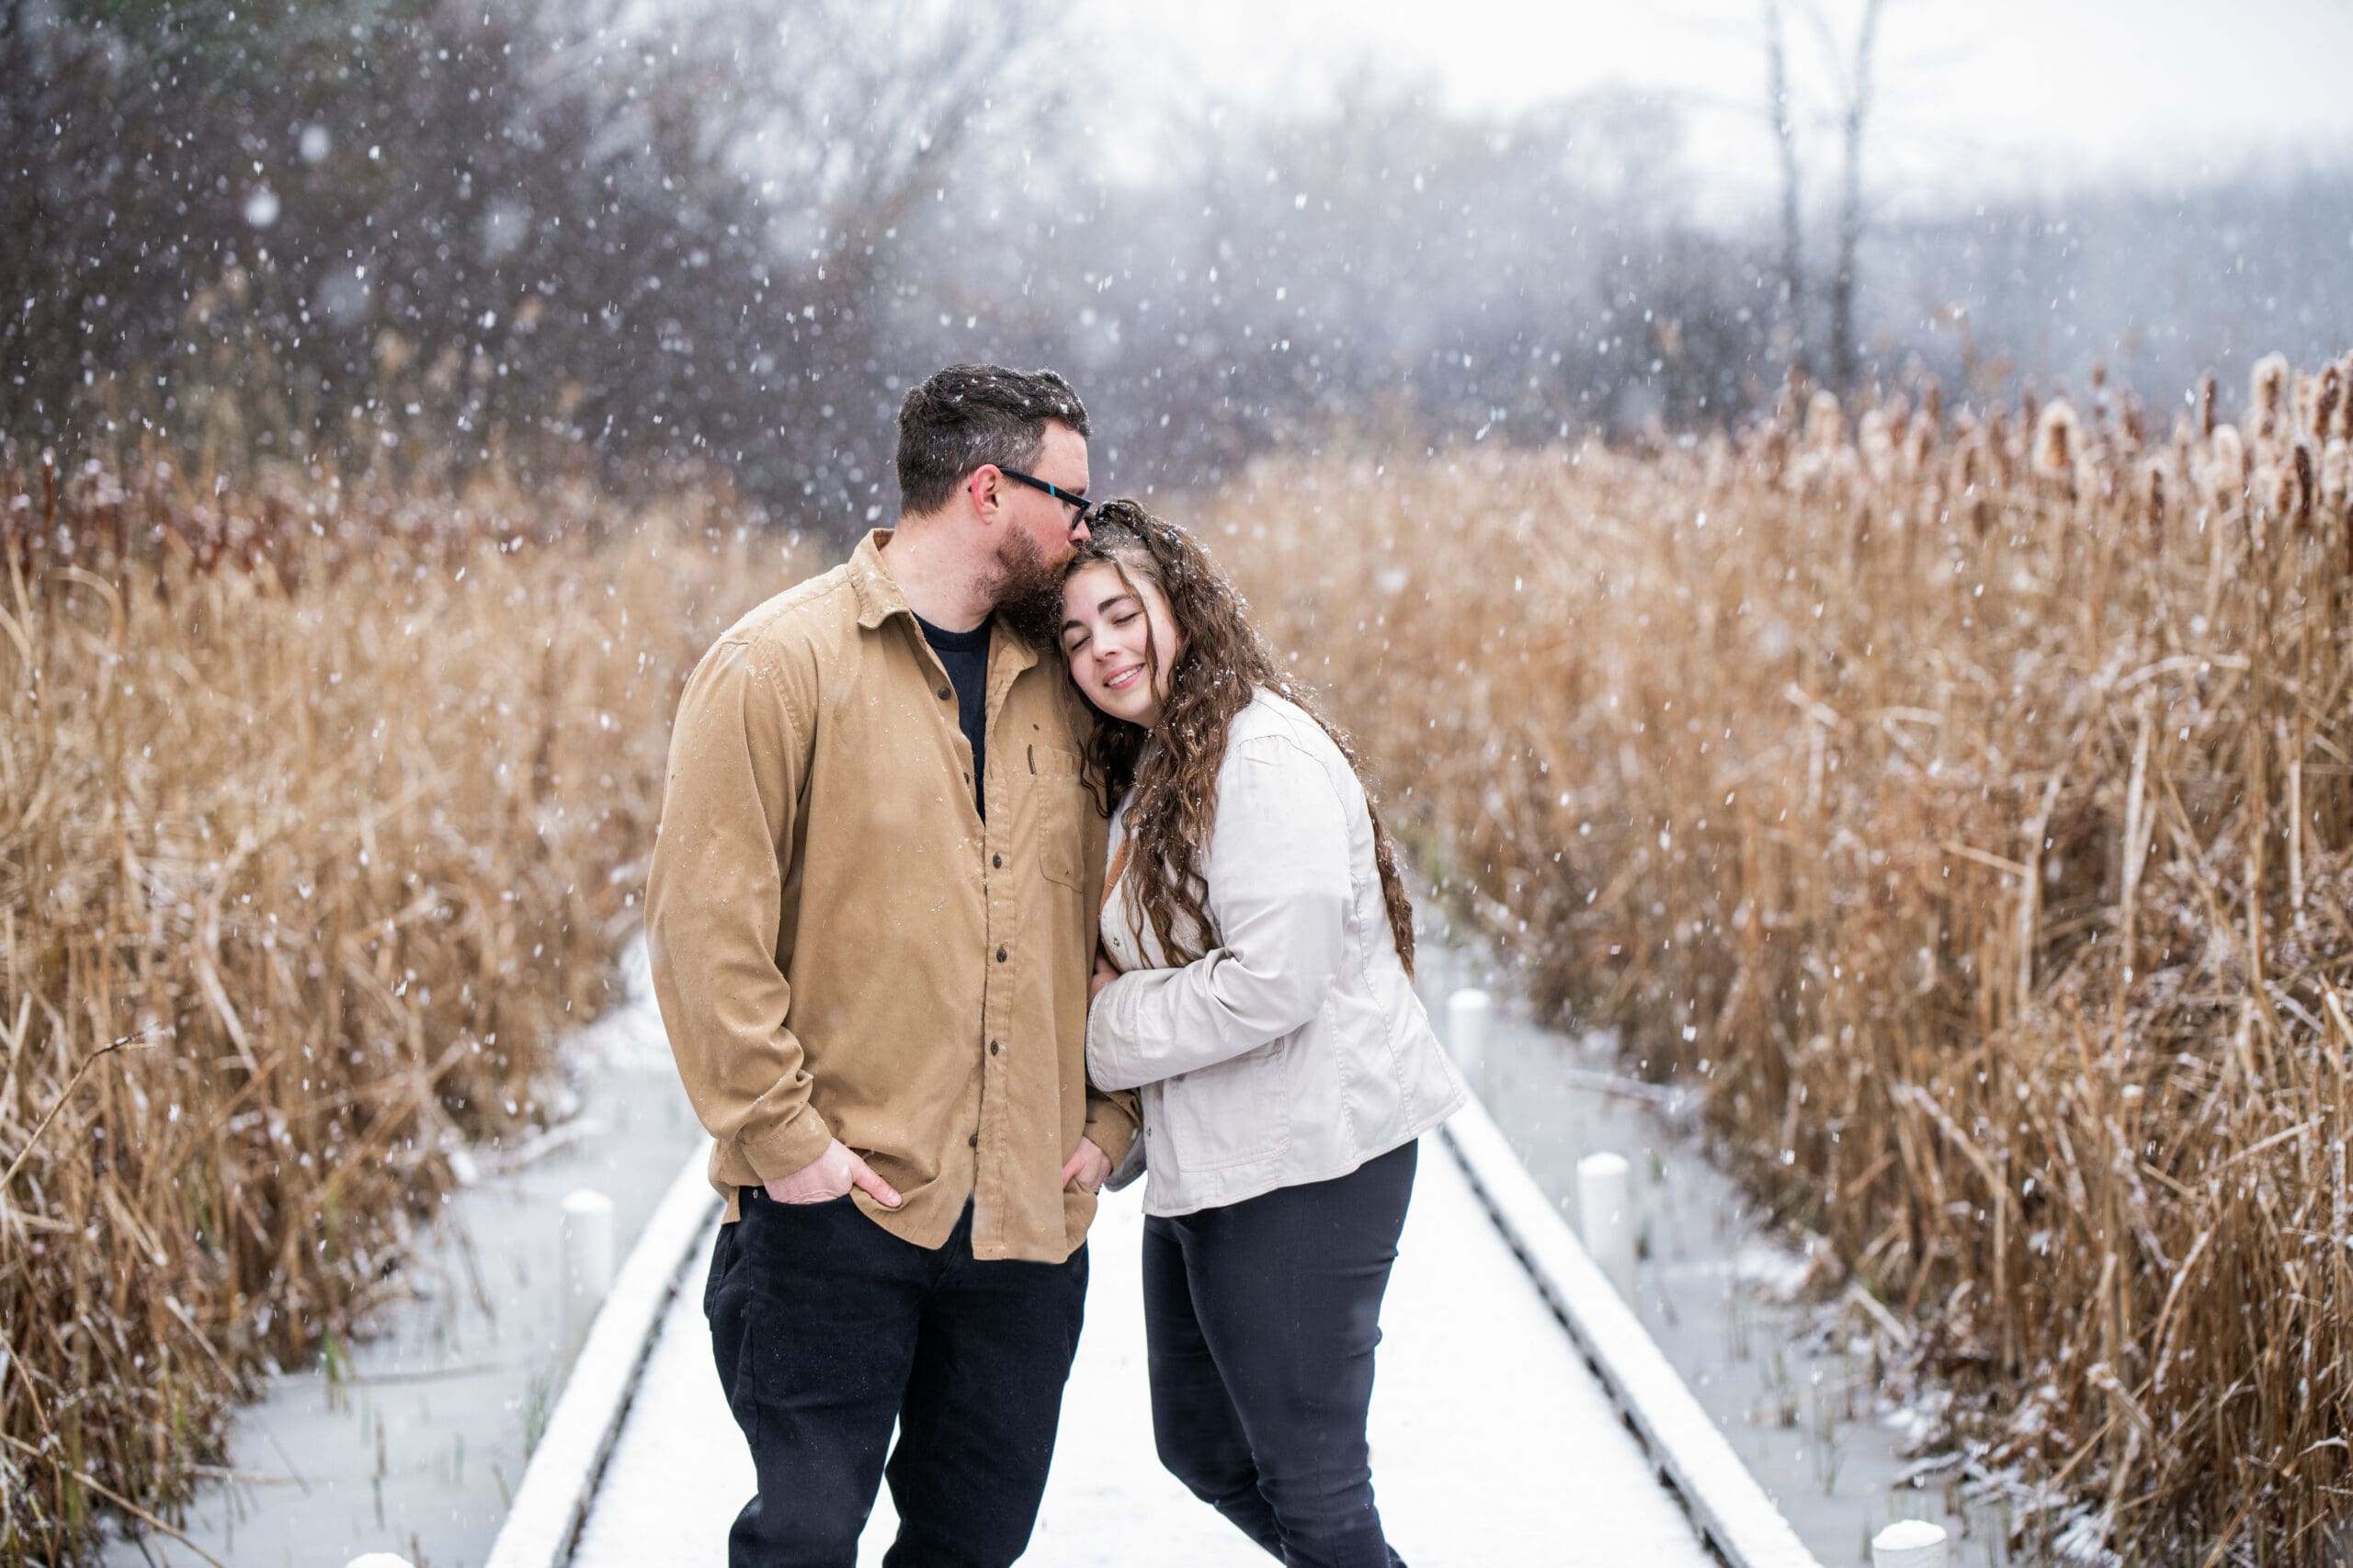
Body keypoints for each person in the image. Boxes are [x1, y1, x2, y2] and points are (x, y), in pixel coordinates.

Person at [645, 363, 1139, 1568]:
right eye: (1068, 496)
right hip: (838, 1211)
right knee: (804, 1539)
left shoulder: (1074, 688)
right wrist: (789, 1143)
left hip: (1027, 1221)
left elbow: (1143, 920)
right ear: (986, 489)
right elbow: (705, 932)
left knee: (972, 1545)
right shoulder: (776, 666)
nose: (1088, 524)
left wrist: (1113, 1116)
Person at [1059, 501, 1465, 1568]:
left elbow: (1271, 984)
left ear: (1177, 604)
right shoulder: (1162, 759)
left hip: (1308, 1163)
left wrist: (1099, 1023)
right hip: (1216, 1160)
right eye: (1074, 634)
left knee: (1316, 1484)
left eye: (1119, 613)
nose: (1103, 648)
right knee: (1199, 1446)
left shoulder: (1258, 752)